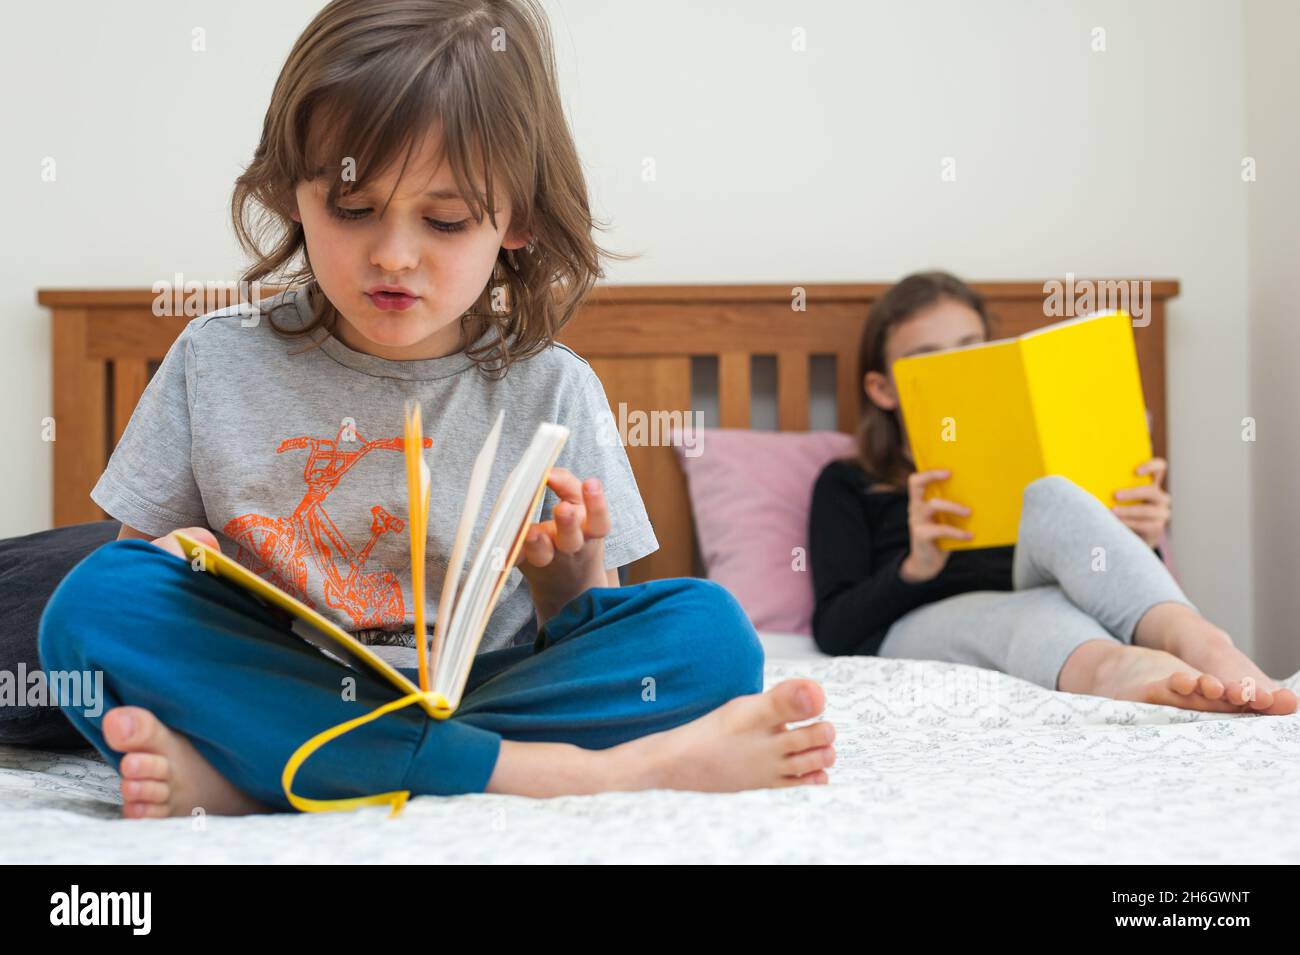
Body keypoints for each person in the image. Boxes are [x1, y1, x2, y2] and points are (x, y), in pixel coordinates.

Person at [38, 0, 836, 819]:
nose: (393, 254)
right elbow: (145, 576)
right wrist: (181, 556)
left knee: (711, 633)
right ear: (291, 193)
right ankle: (562, 773)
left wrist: (565, 582)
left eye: (445, 220)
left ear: (518, 218)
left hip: (490, 687)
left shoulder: (556, 387)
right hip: (286, 682)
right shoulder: (214, 359)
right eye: (352, 209)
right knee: (89, 607)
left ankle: (268, 778)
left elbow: (591, 624)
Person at [809, 270, 1296, 715]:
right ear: (881, 388)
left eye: (969, 349)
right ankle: (1116, 668)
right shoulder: (848, 481)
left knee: (1052, 494)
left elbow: (1108, 582)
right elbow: (833, 628)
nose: (954, 368)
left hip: (1051, 591)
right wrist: (915, 569)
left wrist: (1137, 537)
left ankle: (1204, 643)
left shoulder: (1039, 450)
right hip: (927, 617)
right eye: (927, 359)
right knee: (1033, 613)